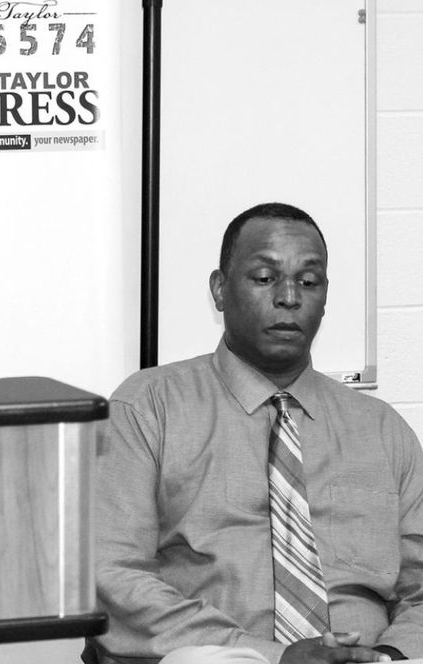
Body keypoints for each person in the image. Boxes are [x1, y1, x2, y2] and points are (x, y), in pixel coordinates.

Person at [88, 202, 423, 664]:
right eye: (265, 278)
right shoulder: (148, 407)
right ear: (220, 289)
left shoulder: (382, 430)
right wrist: (272, 656)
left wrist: (387, 655)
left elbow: (420, 591)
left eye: (309, 281)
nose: (289, 297)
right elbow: (111, 576)